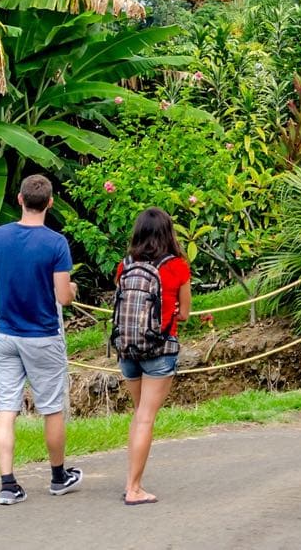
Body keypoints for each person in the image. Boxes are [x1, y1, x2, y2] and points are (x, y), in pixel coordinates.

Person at [0, 174, 82, 505]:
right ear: (50, 203)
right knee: (51, 408)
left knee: (5, 408)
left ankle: (8, 484)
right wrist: (73, 290)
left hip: (6, 335)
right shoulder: (55, 243)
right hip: (42, 336)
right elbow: (64, 297)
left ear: (20, 200)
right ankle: (58, 476)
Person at [113, 208, 192, 505]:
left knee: (139, 415)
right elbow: (184, 314)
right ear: (168, 232)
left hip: (127, 348)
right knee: (146, 417)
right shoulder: (178, 267)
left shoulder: (125, 265)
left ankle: (133, 481)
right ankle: (133, 488)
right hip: (160, 349)